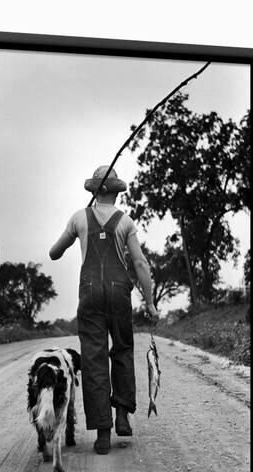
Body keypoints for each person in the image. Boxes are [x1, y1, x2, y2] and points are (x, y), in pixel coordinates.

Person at [49, 165, 158, 454]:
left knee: (94, 360)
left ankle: (102, 433)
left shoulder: (78, 218)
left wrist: (77, 229)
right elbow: (140, 264)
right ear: (116, 192)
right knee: (121, 350)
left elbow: (54, 253)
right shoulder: (126, 222)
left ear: (94, 191)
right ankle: (122, 414)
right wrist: (149, 302)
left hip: (90, 295)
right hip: (119, 295)